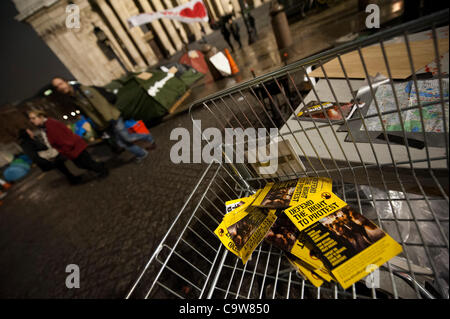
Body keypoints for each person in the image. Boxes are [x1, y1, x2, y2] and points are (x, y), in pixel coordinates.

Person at [51, 77, 155, 162]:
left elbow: (100, 104)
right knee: (121, 142)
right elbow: (88, 112)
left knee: (127, 138)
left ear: (66, 82)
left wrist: (109, 118)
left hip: (111, 117)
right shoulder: (73, 97)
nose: (60, 87)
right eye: (57, 87)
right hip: (103, 122)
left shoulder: (82, 90)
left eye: (61, 83)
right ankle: (142, 154)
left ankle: (148, 137)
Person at [27, 109, 108, 179]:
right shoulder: (45, 126)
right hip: (71, 148)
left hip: (73, 147)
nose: (31, 121)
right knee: (83, 164)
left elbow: (63, 139)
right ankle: (101, 167)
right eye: (30, 119)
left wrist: (66, 150)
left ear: (41, 117)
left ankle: (103, 170)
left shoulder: (50, 124)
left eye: (33, 118)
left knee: (86, 163)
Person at [18, 128, 82, 185]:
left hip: (50, 157)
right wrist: (46, 162)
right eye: (29, 131)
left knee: (62, 168)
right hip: (47, 160)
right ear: (26, 134)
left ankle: (72, 178)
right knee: (62, 168)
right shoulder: (26, 144)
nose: (31, 132)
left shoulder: (34, 138)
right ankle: (73, 180)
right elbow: (33, 156)